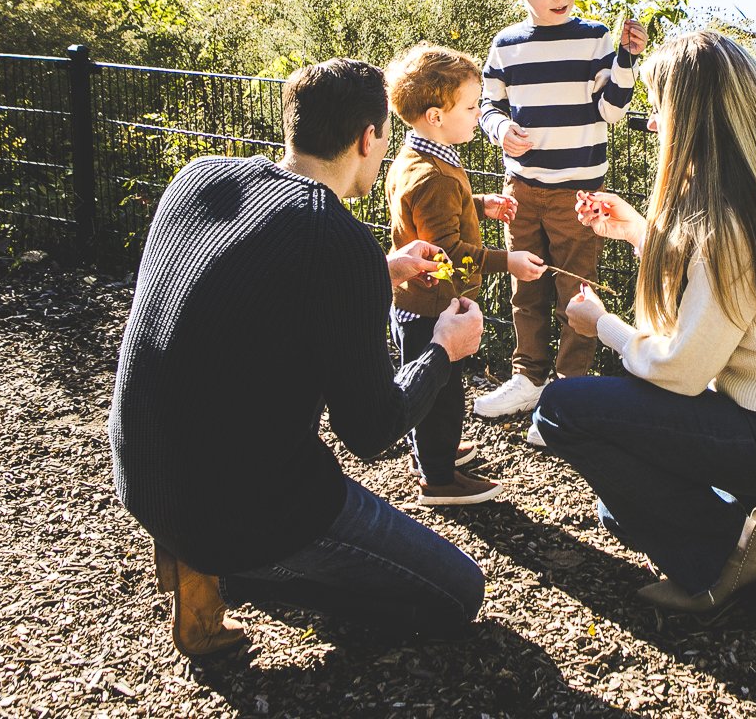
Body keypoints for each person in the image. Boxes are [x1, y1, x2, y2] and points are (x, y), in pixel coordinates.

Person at [108, 57, 487, 656]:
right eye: (385, 136)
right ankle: (231, 566)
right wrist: (444, 349)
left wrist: (374, 277)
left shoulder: (199, 178)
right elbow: (370, 428)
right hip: (253, 502)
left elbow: (248, 287)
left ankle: (199, 550)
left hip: (145, 474)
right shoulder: (332, 236)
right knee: (458, 593)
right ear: (369, 138)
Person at [532, 30, 756, 615]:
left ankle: (726, 560)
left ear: (692, 119)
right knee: (617, 506)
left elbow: (683, 372)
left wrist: (603, 325)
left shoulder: (725, 225)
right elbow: (734, 291)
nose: (653, 124)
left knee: (561, 410)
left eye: (661, 109)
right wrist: (638, 231)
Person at [472, 0, 647, 425]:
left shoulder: (595, 38)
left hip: (578, 194)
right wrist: (499, 128)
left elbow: (611, 111)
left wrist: (627, 59)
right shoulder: (506, 45)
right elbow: (488, 104)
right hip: (522, 190)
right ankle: (528, 379)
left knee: (576, 293)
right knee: (525, 288)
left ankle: (570, 396)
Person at [383, 43, 548, 505]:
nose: (480, 115)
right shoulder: (434, 175)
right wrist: (507, 260)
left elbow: (432, 213)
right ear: (436, 115)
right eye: (473, 107)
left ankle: (432, 453)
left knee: (432, 388)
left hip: (414, 303)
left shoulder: (419, 157)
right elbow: (448, 250)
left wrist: (479, 204)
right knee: (440, 395)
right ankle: (439, 480)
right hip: (433, 306)